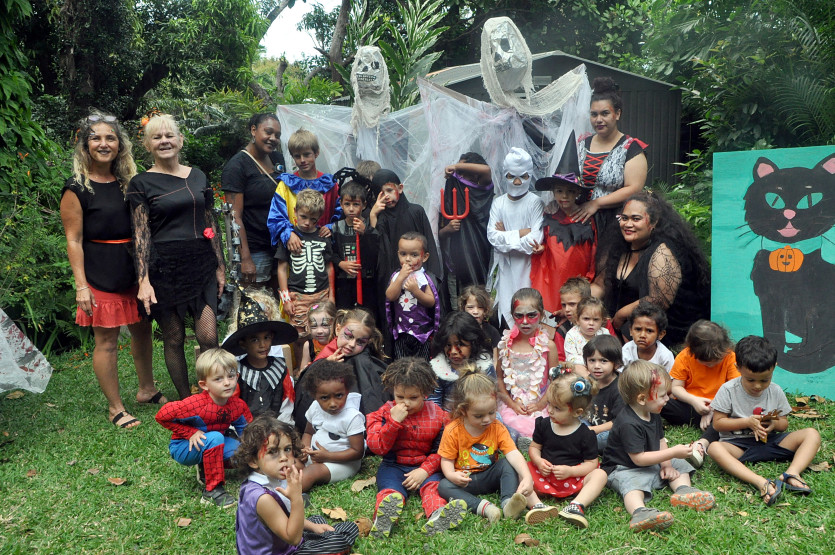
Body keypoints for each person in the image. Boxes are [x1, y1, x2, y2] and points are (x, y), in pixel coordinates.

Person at [60, 111, 163, 429]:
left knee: (142, 330)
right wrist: (81, 285)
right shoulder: (76, 188)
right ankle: (115, 407)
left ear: (120, 145)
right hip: (99, 272)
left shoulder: (129, 183)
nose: (104, 144)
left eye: (110, 138)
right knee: (106, 340)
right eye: (96, 138)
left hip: (134, 269)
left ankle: (147, 389)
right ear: (85, 145)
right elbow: (73, 240)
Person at [127, 114, 225, 400]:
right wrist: (144, 280)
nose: (164, 141)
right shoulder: (140, 183)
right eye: (157, 137)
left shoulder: (198, 176)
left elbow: (210, 221)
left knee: (208, 336)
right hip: (164, 268)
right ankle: (186, 400)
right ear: (147, 145)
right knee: (174, 337)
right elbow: (140, 234)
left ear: (180, 140)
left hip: (201, 263)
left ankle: (212, 396)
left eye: (169, 135)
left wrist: (220, 266)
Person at [602, 360, 715, 532]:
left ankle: (684, 491)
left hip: (650, 462)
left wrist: (667, 464)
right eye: (662, 395)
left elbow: (661, 440)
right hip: (624, 468)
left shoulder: (653, 411)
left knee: (679, 464)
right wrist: (672, 452)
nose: (667, 399)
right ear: (642, 399)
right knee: (631, 484)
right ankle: (640, 512)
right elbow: (638, 459)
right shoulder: (628, 423)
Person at [707, 336, 820, 506]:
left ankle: (792, 473)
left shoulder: (775, 391)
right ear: (738, 368)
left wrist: (774, 424)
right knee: (714, 448)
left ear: (774, 368)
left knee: (811, 434)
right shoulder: (728, 390)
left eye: (764, 380)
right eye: (751, 380)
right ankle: (760, 482)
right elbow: (718, 423)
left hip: (771, 442)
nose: (757, 386)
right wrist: (747, 422)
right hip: (739, 445)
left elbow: (783, 423)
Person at [437, 371, 558, 525]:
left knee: (507, 464)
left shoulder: (497, 427)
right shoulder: (453, 430)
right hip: (466, 481)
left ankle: (508, 504)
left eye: (491, 412)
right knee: (444, 486)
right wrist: (452, 475)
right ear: (463, 411)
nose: (487, 419)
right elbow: (446, 460)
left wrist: (527, 477)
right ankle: (484, 508)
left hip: (490, 476)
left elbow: (513, 453)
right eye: (479, 416)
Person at [366, 358, 468, 538]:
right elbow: (377, 447)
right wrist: (393, 422)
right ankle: (383, 519)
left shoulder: (439, 416)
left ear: (425, 393)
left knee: (433, 488)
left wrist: (424, 470)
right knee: (390, 491)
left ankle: (438, 515)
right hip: (393, 466)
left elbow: (444, 450)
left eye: (413, 398)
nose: (406, 403)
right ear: (393, 391)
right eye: (400, 397)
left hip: (426, 466)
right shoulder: (382, 414)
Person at [234, 415, 359, 554]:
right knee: (338, 541)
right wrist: (296, 498)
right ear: (253, 461)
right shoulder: (262, 498)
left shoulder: (268, 479)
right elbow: (293, 538)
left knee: (318, 521)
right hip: (283, 549)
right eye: (273, 451)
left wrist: (313, 527)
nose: (283, 458)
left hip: (286, 539)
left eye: (287, 449)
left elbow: (286, 515)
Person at [598, 191, 710, 345]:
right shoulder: (619, 247)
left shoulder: (663, 252)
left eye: (636, 219)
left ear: (654, 222)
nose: (628, 224)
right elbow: (600, 285)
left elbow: (658, 301)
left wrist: (621, 315)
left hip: (660, 330)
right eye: (624, 218)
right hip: (621, 327)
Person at [155, 349, 253, 508]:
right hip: (184, 446)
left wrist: (256, 455)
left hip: (213, 442)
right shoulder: (194, 404)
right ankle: (212, 491)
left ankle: (206, 466)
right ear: (204, 384)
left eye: (231, 376)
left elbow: (247, 430)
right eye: (218, 379)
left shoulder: (237, 405)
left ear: (237, 376)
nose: (227, 383)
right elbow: (161, 415)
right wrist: (190, 432)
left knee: (242, 452)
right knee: (216, 437)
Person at [572, 77, 648, 254]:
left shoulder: (632, 148)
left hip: (614, 223)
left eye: (605, 113)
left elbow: (634, 189)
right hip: (580, 221)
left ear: (617, 114)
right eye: (594, 114)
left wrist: (596, 204)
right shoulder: (581, 144)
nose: (598, 119)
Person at [527, 374, 608, 529]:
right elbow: (534, 447)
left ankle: (576, 505)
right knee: (520, 470)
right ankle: (537, 506)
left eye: (557, 408)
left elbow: (591, 463)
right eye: (549, 404)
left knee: (600, 474)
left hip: (574, 479)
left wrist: (570, 471)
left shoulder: (586, 434)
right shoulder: (544, 424)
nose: (550, 410)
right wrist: (538, 461)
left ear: (577, 412)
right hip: (544, 476)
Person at [531, 132, 597, 316]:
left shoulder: (587, 220)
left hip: (578, 277)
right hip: (551, 278)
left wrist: (589, 279)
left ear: (577, 192)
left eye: (570, 191)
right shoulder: (547, 217)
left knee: (575, 311)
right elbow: (541, 242)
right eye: (559, 191)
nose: (564, 196)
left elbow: (593, 253)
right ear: (553, 192)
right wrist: (539, 249)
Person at [662, 320, 738, 468]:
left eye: (716, 361)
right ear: (692, 351)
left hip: (720, 410)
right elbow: (676, 387)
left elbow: (735, 390)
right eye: (706, 362)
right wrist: (694, 401)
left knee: (731, 416)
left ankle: (701, 445)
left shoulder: (730, 357)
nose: (711, 365)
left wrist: (714, 409)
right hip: (689, 407)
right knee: (660, 401)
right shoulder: (684, 356)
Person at [221, 113, 286, 286]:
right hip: (256, 249)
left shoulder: (277, 159)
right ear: (253, 130)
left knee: (283, 297)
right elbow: (234, 217)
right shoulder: (237, 167)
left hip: (281, 247)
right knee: (258, 299)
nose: (273, 138)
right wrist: (245, 258)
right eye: (268, 132)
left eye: (277, 135)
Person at [276, 188, 336, 369]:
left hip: (322, 293)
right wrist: (286, 299)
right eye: (303, 217)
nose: (307, 223)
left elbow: (329, 266)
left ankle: (325, 366)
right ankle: (301, 370)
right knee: (299, 336)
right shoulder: (289, 237)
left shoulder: (323, 237)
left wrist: (332, 295)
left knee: (324, 332)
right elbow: (281, 269)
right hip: (298, 296)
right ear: (295, 211)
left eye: (313, 219)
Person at [486, 148, 544, 328]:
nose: (517, 182)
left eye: (523, 177)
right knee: (507, 308)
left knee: (529, 306)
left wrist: (505, 235)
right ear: (505, 175)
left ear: (529, 175)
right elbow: (492, 237)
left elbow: (535, 240)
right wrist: (522, 232)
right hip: (506, 267)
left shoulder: (535, 202)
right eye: (512, 177)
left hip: (529, 266)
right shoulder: (498, 203)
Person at [496, 288, 559, 450]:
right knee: (503, 420)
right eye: (519, 315)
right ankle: (517, 439)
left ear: (542, 315)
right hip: (513, 403)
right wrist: (511, 404)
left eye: (531, 315)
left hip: (542, 402)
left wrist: (540, 405)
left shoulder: (549, 346)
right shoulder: (505, 345)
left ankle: (528, 441)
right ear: (512, 315)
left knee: (547, 422)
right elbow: (500, 379)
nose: (525, 321)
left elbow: (555, 381)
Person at [221, 292, 298, 422]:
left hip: (278, 424)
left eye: (266, 338)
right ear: (243, 344)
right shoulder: (238, 372)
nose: (263, 345)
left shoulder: (280, 367)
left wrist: (281, 425)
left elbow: (287, 400)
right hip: (246, 426)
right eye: (255, 340)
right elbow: (231, 404)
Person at [267, 128, 339, 253]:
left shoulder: (330, 184)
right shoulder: (286, 185)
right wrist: (288, 234)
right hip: (295, 248)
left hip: (324, 249)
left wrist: (331, 227)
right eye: (297, 156)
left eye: (306, 154)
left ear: (316, 153)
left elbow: (341, 214)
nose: (302, 160)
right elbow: (275, 217)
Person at [299, 361, 365, 491]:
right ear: (315, 396)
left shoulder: (352, 417)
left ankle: (287, 498)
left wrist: (327, 456)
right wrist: (305, 449)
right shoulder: (315, 408)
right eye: (324, 398)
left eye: (339, 395)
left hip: (343, 463)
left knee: (311, 472)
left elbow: (357, 452)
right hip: (316, 457)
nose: (333, 403)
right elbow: (308, 433)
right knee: (292, 464)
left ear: (347, 391)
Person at [439, 152, 494, 293]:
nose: (459, 176)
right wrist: (448, 229)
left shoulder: (482, 189)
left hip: (480, 245)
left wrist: (456, 166)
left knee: (478, 287)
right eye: (459, 173)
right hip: (457, 256)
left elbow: (486, 170)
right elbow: (439, 234)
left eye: (463, 172)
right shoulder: (452, 194)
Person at [385, 232, 442, 360]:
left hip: (422, 333)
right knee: (401, 362)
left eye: (414, 255)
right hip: (401, 331)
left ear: (425, 257)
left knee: (422, 363)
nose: (408, 259)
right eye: (403, 254)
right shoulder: (397, 276)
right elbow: (390, 296)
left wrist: (416, 291)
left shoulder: (424, 278)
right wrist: (400, 278)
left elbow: (431, 301)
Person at [332, 179, 381, 319]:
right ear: (341, 204)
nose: (351, 209)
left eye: (356, 204)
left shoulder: (370, 227)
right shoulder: (336, 227)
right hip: (344, 282)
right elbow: (330, 253)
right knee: (344, 316)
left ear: (364, 205)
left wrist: (365, 233)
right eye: (347, 204)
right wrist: (341, 263)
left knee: (367, 317)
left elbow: (376, 253)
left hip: (367, 282)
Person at [427, 311, 495, 411]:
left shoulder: (484, 366)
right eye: (448, 345)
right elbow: (434, 406)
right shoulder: (439, 369)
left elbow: (492, 397)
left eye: (460, 345)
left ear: (474, 343)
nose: (453, 351)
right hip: (448, 418)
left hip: (480, 416)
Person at [583, 335, 625, 453]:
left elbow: (618, 422)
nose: (597, 366)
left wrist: (593, 430)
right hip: (589, 424)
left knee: (606, 439)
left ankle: (579, 443)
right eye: (592, 360)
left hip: (609, 430)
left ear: (616, 364)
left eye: (603, 361)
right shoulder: (588, 381)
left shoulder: (619, 388)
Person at [621, 300, 674, 371]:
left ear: (660, 334)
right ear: (631, 330)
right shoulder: (627, 349)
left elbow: (669, 378)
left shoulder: (665, 356)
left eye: (649, 331)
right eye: (638, 329)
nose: (642, 335)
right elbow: (621, 375)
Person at [564, 297, 611, 373]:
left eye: (596, 319)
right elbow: (571, 358)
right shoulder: (572, 335)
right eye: (586, 319)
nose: (591, 323)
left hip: (601, 366)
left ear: (602, 321)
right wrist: (591, 361)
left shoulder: (604, 333)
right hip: (581, 369)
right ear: (577, 320)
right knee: (577, 367)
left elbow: (610, 353)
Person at [552, 277, 592, 361]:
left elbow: (614, 352)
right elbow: (560, 360)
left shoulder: (603, 323)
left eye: (572, 304)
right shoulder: (562, 331)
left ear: (586, 302)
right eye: (564, 305)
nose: (567, 309)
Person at [458, 285, 501, 360]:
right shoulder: (458, 329)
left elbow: (496, 359)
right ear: (463, 307)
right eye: (470, 307)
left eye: (480, 307)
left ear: (486, 309)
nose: (475, 312)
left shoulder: (492, 332)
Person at [298, 302, 337, 374]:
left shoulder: (339, 343)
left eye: (325, 325)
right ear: (308, 326)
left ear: (335, 323)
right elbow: (302, 374)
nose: (319, 331)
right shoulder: (308, 346)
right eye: (314, 326)